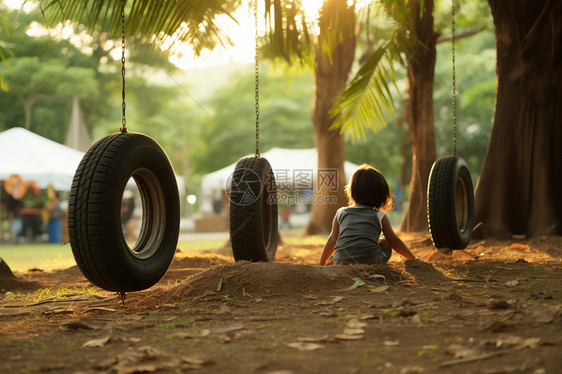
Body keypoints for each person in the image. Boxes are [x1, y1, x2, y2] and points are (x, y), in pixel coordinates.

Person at [319, 164, 416, 266]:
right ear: (381, 194)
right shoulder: (380, 215)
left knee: (340, 248)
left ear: (352, 191)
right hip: (371, 263)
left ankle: (337, 260)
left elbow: (332, 240)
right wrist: (413, 258)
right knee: (386, 240)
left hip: (341, 262)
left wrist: (321, 264)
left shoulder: (341, 212)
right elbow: (394, 241)